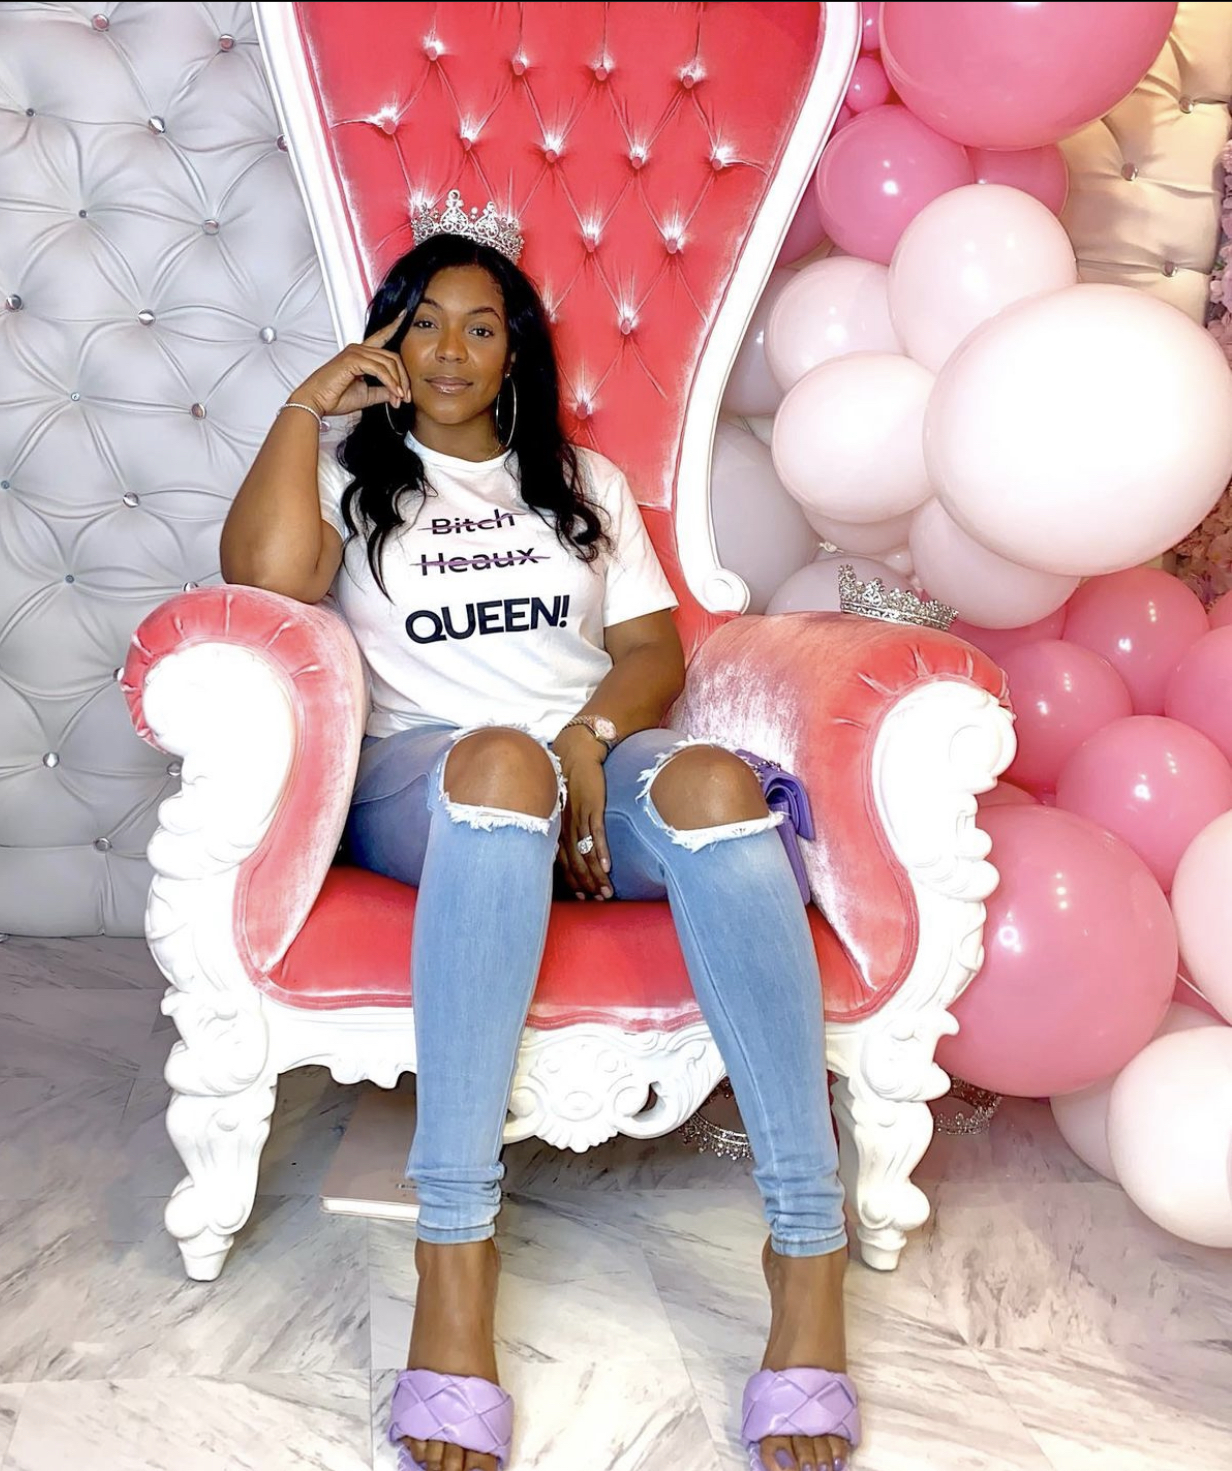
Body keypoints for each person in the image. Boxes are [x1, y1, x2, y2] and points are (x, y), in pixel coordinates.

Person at [219, 194, 859, 1471]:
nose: (451, 349)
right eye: (424, 323)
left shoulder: (581, 484)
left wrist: (588, 742)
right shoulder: (348, 477)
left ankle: (807, 1249)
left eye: (482, 326)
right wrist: (303, 407)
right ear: (385, 339)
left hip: (587, 759)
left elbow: (651, 650)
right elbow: (263, 578)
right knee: (500, 762)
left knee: (719, 786)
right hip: (428, 776)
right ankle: (454, 1258)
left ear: (515, 350)